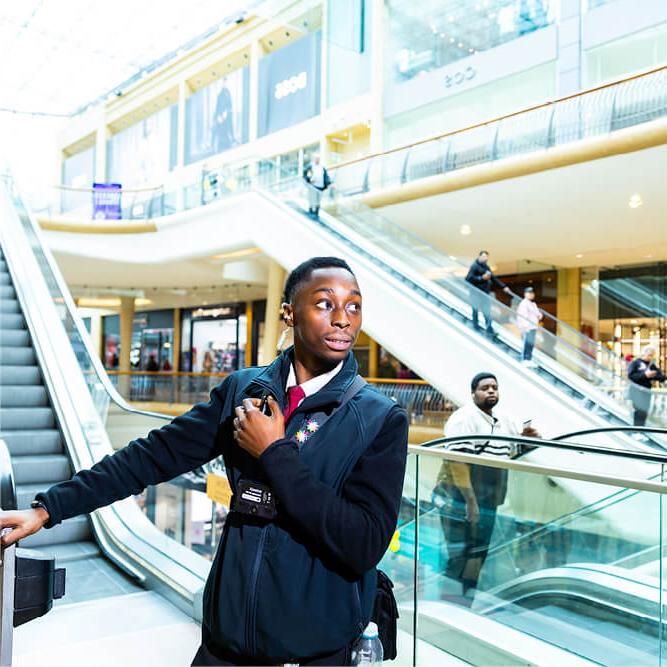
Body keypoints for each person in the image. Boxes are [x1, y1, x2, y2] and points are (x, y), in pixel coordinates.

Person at [0, 256, 408, 666]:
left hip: (314, 652)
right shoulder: (243, 390)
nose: (343, 320)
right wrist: (49, 508)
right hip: (225, 642)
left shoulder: (378, 418)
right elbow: (152, 457)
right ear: (288, 313)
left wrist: (273, 452)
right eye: (325, 304)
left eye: (353, 306)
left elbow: (363, 543)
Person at [433, 372, 539, 601]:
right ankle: (449, 603)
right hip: (459, 497)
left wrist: (530, 440)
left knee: (478, 552)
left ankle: (466, 600)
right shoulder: (464, 419)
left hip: (488, 499)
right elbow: (458, 462)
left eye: (494, 387)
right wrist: (471, 503)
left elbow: (513, 453)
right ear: (473, 394)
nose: (491, 391)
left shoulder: (507, 420)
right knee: (458, 553)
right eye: (484, 388)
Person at [465, 250, 511, 335]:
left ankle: (489, 328)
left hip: (485, 294)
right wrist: (481, 278)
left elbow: (493, 278)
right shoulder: (474, 266)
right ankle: (475, 325)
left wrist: (503, 287)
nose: (485, 258)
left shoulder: (486, 267)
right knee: (475, 310)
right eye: (483, 256)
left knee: (487, 311)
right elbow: (468, 279)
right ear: (479, 257)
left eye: (486, 257)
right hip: (476, 293)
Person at [627, 345, 665, 426]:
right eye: (649, 355)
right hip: (636, 391)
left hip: (646, 392)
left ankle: (641, 429)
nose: (651, 357)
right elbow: (631, 376)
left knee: (644, 410)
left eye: (652, 355)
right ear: (644, 353)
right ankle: (636, 429)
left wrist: (653, 375)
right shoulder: (635, 363)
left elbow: (661, 377)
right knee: (638, 410)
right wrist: (645, 375)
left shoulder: (652, 365)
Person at [516, 286, 543, 364]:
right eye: (529, 293)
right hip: (527, 327)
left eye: (532, 293)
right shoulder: (524, 303)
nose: (531, 295)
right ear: (525, 294)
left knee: (531, 344)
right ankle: (525, 359)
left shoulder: (533, 304)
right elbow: (522, 316)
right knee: (527, 343)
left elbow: (538, 314)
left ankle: (529, 359)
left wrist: (539, 315)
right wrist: (525, 326)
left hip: (533, 326)